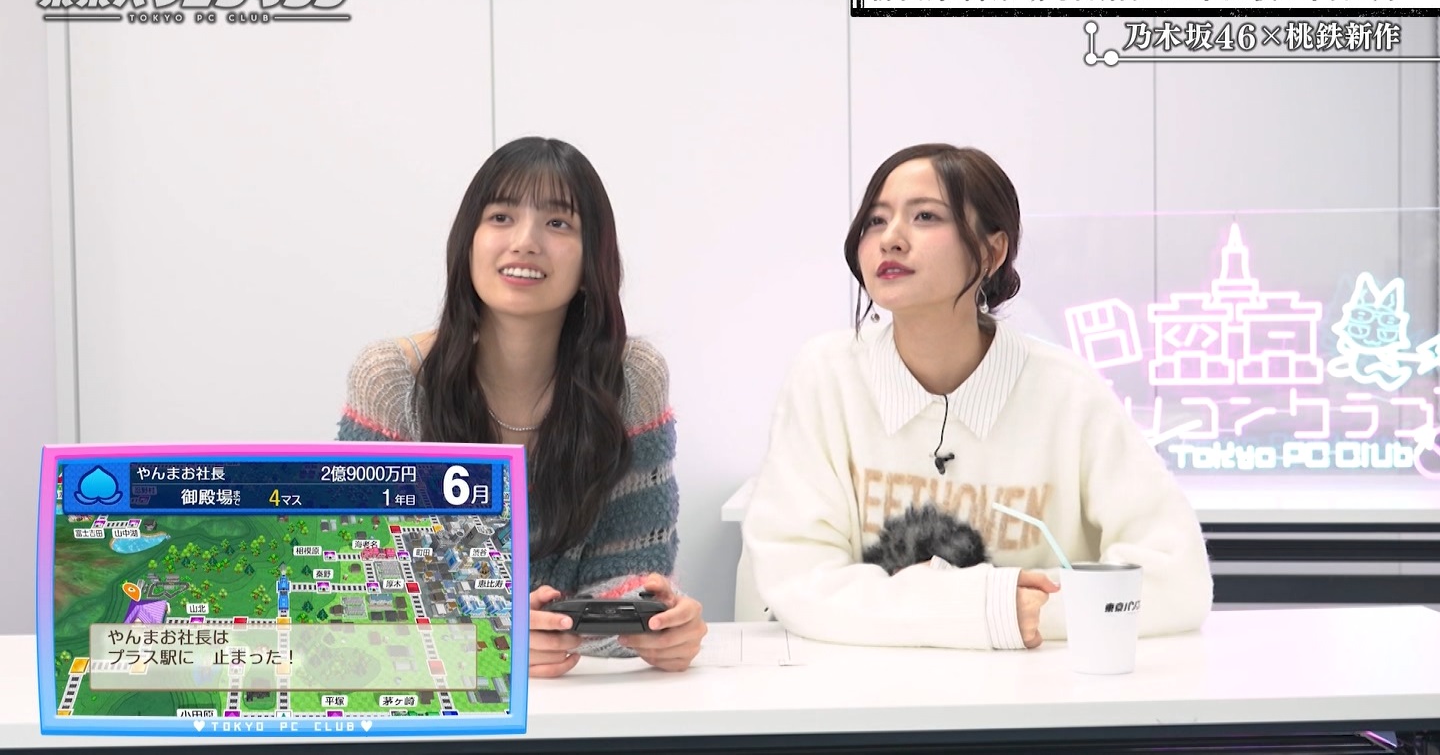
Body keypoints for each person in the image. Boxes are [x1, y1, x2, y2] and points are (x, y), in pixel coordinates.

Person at [741, 143, 1213, 650]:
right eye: (876, 220)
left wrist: (1023, 613)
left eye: (925, 216)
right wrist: (985, 609)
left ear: (991, 251)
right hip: (862, 685)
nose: (890, 239)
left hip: (1033, 689)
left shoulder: (1067, 392)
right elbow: (799, 581)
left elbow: (1175, 579)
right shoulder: (826, 377)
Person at [338, 136, 706, 676]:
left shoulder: (632, 379)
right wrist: (493, 639)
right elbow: (357, 584)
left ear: (593, 258)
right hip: (441, 698)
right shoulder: (392, 380)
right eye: (501, 217)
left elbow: (629, 572)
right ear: (468, 240)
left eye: (558, 223)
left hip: (587, 699)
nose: (525, 242)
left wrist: (657, 625)